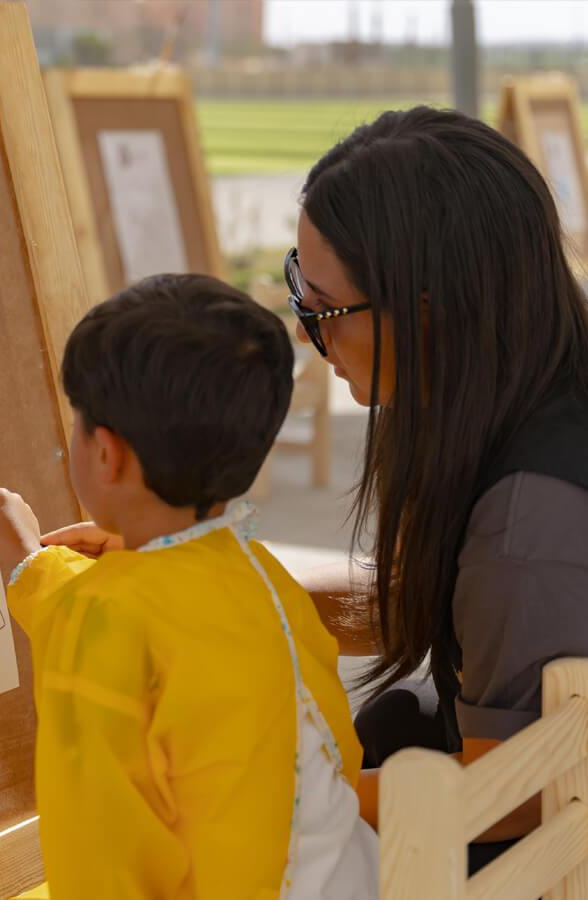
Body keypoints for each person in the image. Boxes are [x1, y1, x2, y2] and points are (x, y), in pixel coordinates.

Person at [49, 107, 588, 874]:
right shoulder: (534, 383)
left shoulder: (528, 523)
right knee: (391, 722)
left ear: (430, 312)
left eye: (325, 310)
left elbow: (524, 788)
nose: (308, 332)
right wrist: (198, 586)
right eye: (299, 290)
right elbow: (461, 602)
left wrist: (285, 796)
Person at [0, 274, 378, 899]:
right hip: (349, 874)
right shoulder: (256, 570)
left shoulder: (104, 621)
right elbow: (337, 745)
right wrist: (29, 559)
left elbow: (100, 853)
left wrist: (32, 564)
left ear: (107, 455)